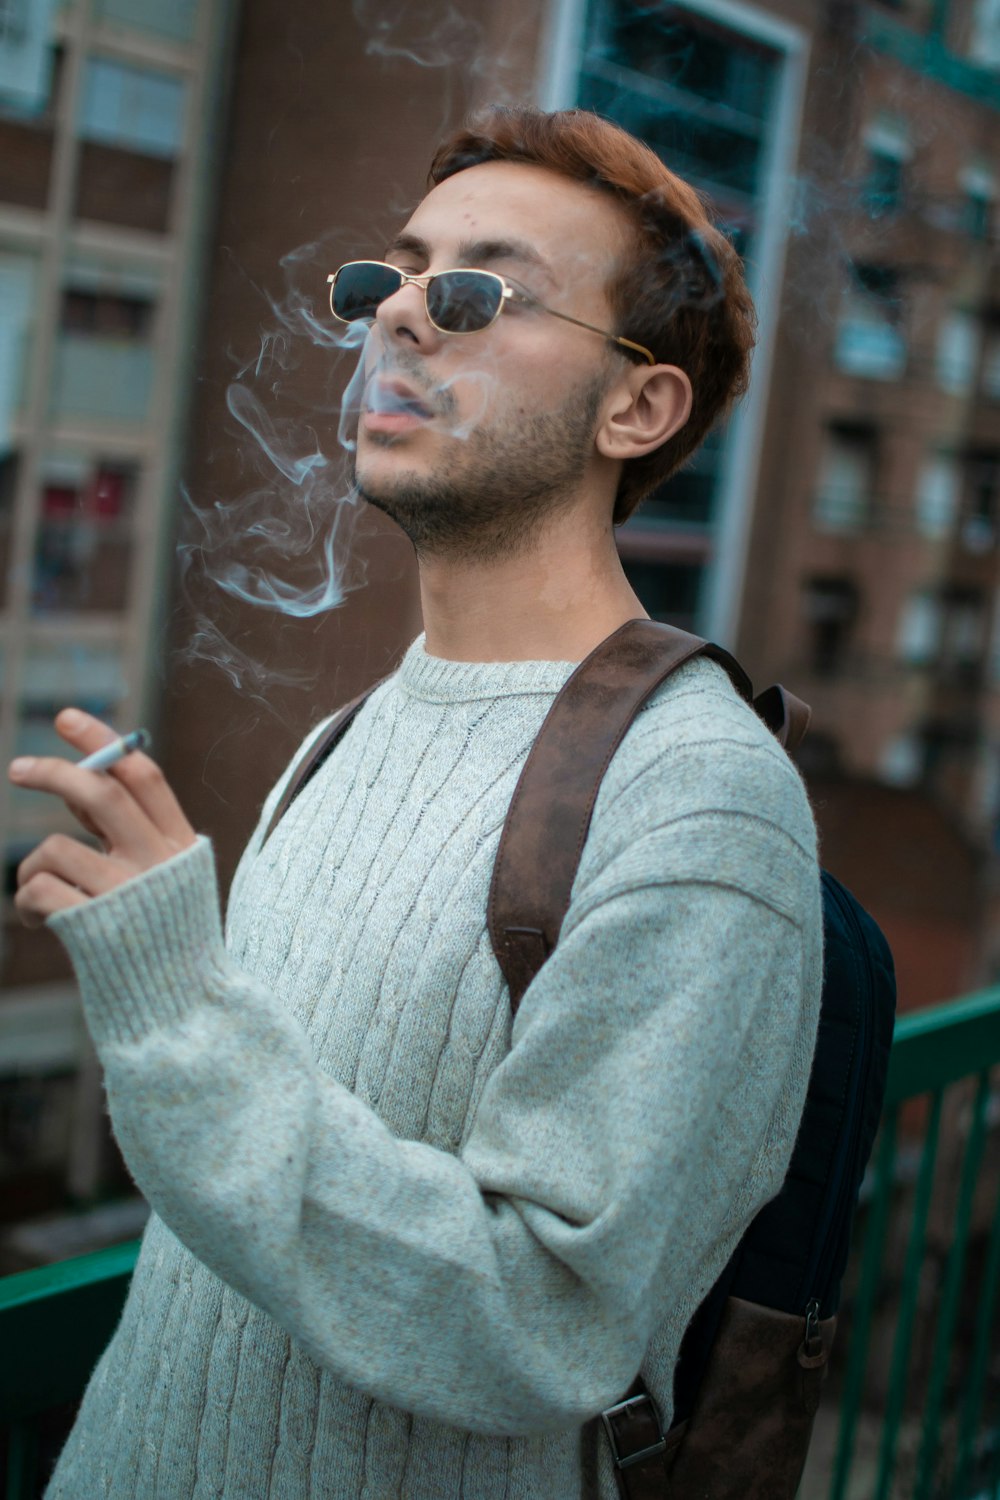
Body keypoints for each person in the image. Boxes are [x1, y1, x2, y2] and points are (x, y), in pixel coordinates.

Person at [11, 105, 823, 1499]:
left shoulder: (701, 801)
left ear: (636, 407)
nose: (397, 319)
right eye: (386, 279)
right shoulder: (350, 733)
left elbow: (547, 1324)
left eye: (476, 293)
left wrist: (177, 1017)